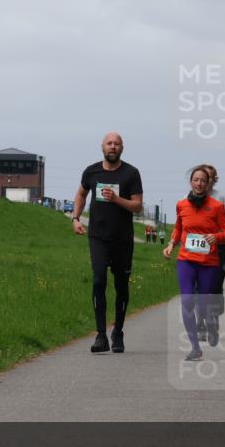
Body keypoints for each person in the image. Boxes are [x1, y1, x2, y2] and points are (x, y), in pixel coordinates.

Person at [72, 132, 143, 354]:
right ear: (102, 147)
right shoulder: (91, 171)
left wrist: (117, 199)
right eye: (109, 143)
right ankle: (101, 335)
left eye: (117, 144)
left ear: (122, 148)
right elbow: (81, 194)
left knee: (121, 286)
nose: (113, 147)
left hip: (122, 239)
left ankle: (118, 332)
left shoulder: (131, 173)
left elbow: (138, 206)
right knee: (98, 280)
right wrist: (75, 218)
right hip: (98, 237)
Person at [163, 165, 225, 361]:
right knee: (187, 301)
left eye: (203, 180)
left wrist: (216, 237)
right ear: (191, 182)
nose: (199, 183)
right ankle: (195, 347)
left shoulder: (216, 206)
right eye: (196, 180)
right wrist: (171, 244)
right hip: (186, 260)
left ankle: (210, 322)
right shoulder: (182, 205)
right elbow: (178, 228)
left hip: (209, 262)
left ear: (208, 183)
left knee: (203, 304)